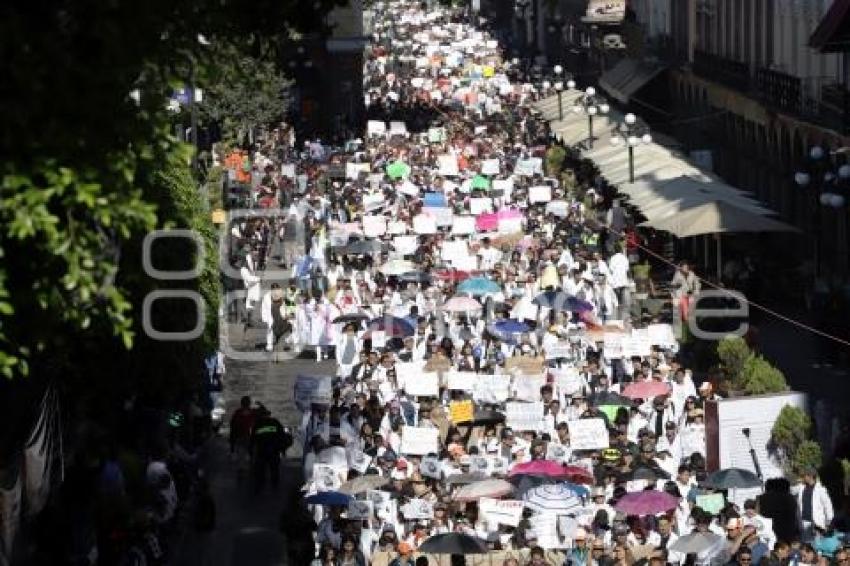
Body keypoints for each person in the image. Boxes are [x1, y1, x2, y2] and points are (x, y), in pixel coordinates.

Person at [250, 405, 291, 493]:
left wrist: (251, 452)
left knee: (261, 470)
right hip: (273, 451)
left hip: (262, 452)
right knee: (274, 470)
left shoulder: (257, 424)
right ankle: (274, 487)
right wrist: (283, 451)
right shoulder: (275, 422)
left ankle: (260, 487)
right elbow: (282, 437)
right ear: (268, 415)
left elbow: (253, 439)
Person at [797, 468, 834, 542]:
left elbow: (827, 505)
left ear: (810, 476)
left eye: (804, 476)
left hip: (817, 522)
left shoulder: (820, 489)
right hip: (804, 522)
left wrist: (828, 521)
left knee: (817, 544)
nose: (803, 478)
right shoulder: (801, 487)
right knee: (806, 545)